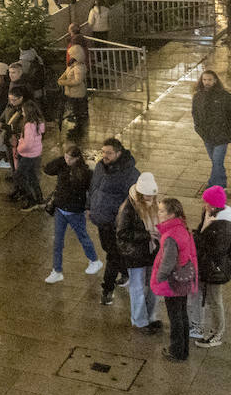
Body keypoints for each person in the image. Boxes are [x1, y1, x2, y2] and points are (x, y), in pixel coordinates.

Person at [87, 137, 140, 305]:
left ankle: (107, 289)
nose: (105, 156)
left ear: (118, 153)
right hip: (101, 219)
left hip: (116, 223)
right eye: (103, 152)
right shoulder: (100, 168)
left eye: (109, 153)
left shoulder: (130, 173)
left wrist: (123, 216)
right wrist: (89, 207)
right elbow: (93, 188)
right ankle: (125, 273)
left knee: (113, 255)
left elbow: (134, 199)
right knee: (108, 248)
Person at [43, 145, 103, 283]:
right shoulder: (62, 166)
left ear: (77, 158)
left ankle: (94, 260)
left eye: (70, 158)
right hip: (60, 209)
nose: (67, 160)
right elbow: (47, 169)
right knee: (58, 241)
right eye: (65, 157)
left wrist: (89, 208)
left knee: (82, 236)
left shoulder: (85, 172)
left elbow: (92, 191)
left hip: (75, 211)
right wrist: (61, 159)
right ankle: (56, 270)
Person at [152, 197, 199, 362]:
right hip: (184, 278)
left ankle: (176, 351)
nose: (159, 213)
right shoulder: (181, 227)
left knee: (175, 317)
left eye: (162, 211)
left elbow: (168, 262)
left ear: (171, 214)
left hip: (173, 281)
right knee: (182, 314)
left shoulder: (170, 235)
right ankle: (184, 350)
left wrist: (159, 277)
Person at [188, 186, 231, 349]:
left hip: (215, 269)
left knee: (214, 300)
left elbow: (215, 250)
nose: (203, 205)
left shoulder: (224, 226)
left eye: (206, 202)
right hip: (205, 265)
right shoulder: (210, 215)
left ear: (214, 205)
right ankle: (197, 326)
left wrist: (202, 232)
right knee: (198, 294)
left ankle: (217, 333)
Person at [118, 173, 161, 333]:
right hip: (135, 254)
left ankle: (150, 317)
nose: (151, 199)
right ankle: (139, 321)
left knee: (153, 287)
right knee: (137, 288)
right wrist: (147, 235)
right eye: (148, 196)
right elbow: (122, 233)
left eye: (152, 196)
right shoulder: (128, 208)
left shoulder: (153, 203)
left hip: (152, 252)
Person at [191, 70, 231, 189]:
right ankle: (220, 181)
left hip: (222, 136)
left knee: (217, 162)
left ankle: (217, 185)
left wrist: (228, 131)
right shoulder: (198, 97)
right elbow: (195, 113)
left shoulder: (225, 96)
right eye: (204, 80)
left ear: (215, 81)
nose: (207, 82)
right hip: (207, 136)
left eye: (209, 80)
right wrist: (198, 129)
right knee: (216, 162)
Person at [11, 99, 46, 210]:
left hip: (28, 155)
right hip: (35, 154)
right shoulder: (38, 122)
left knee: (18, 176)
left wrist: (19, 148)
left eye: (23, 111)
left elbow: (28, 144)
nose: (22, 113)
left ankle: (31, 200)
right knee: (32, 177)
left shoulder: (29, 125)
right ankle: (40, 199)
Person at [58, 44, 88, 138]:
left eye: (71, 54)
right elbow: (66, 73)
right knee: (75, 111)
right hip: (71, 93)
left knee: (77, 112)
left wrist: (64, 82)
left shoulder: (79, 67)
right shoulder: (72, 65)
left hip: (77, 93)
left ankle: (78, 130)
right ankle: (76, 129)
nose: (70, 56)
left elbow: (77, 81)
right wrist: (61, 79)